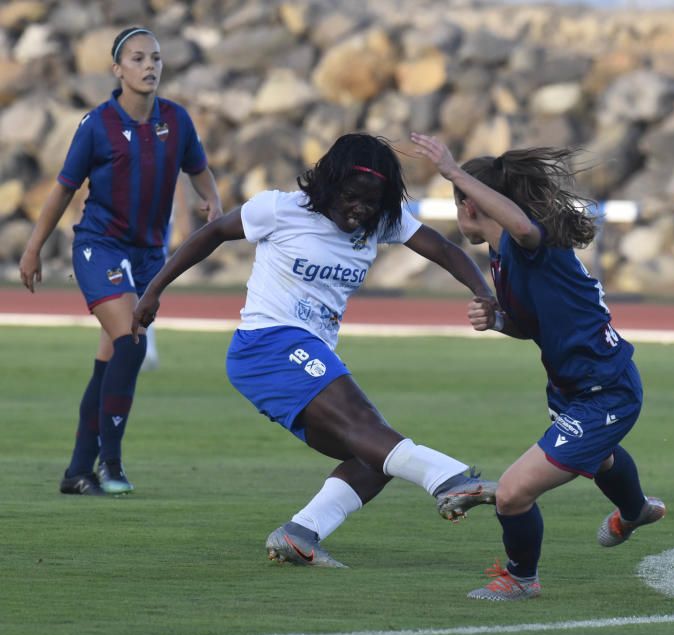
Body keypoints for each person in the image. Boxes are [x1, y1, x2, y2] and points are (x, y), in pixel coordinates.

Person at [132, 133, 498, 567]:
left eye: (370, 201)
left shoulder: (380, 220)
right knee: (369, 429)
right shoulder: (280, 209)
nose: (359, 209)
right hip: (268, 344)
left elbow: (441, 248)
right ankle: (448, 479)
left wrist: (483, 291)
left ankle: (300, 533)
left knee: (372, 455)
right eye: (350, 197)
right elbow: (211, 234)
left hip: (306, 352)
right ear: (329, 183)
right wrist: (154, 290)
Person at [409, 132, 665, 601]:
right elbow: (532, 326)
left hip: (604, 390)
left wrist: (453, 171)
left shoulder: (526, 240)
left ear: (468, 205)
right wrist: (498, 321)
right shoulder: (500, 256)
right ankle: (635, 510)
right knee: (600, 457)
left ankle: (522, 578)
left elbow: (525, 229)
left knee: (512, 495)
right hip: (571, 389)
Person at [18, 27, 222, 496]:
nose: (149, 66)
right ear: (117, 69)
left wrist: (212, 201)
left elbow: (199, 169)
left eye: (155, 58)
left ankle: (76, 472)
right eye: (137, 59)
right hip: (99, 247)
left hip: (149, 256)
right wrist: (32, 249)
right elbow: (63, 188)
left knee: (109, 359)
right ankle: (111, 464)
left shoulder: (177, 120)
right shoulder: (97, 125)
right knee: (131, 339)